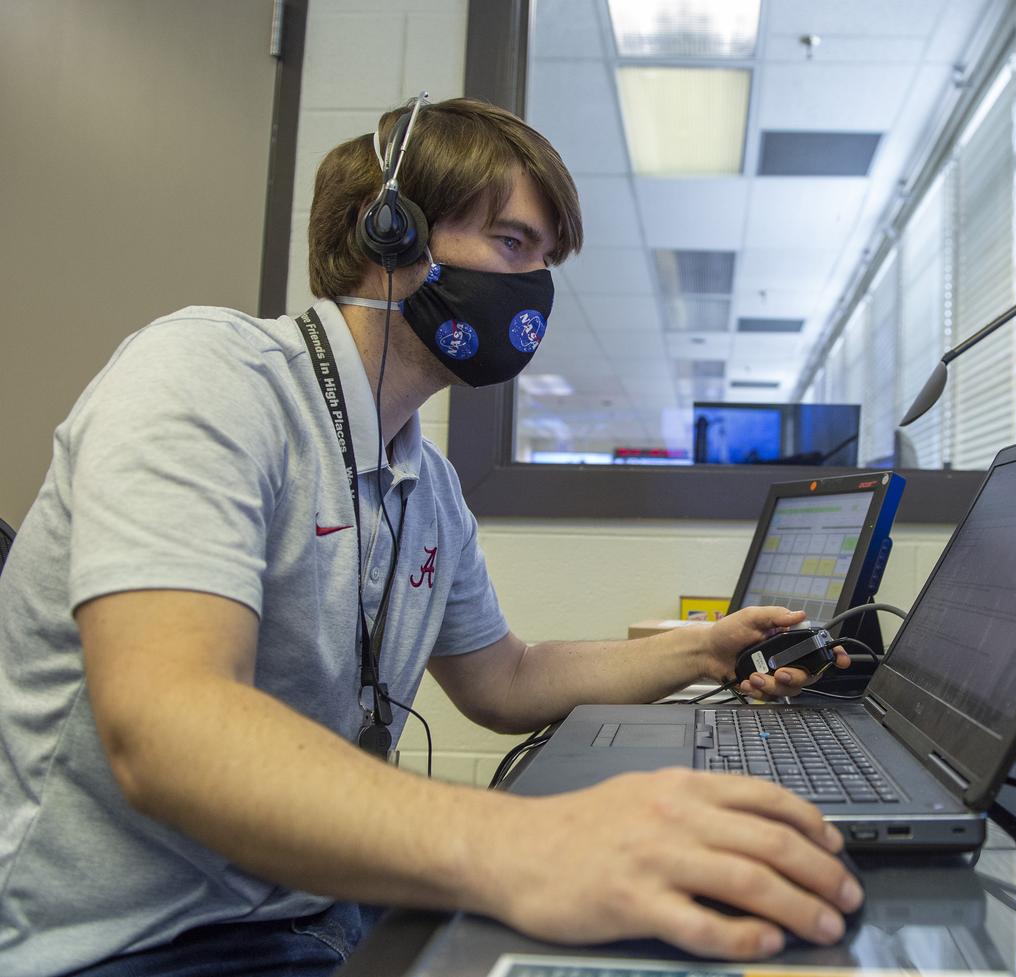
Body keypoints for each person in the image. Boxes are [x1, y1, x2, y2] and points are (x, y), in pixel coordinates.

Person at [0, 95, 860, 977]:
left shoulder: (427, 483)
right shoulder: (208, 377)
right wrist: (524, 842)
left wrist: (705, 650)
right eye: (513, 245)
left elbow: (506, 679)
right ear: (391, 236)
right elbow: (166, 727)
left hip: (315, 904)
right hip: (127, 944)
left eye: (546, 260)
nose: (535, 288)